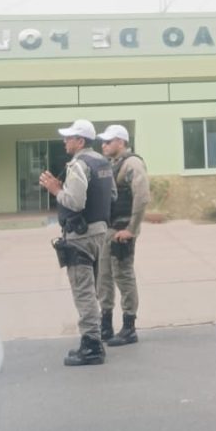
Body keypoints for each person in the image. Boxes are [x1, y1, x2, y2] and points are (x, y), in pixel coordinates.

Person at [39, 119, 114, 366]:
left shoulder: (79, 165)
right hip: (100, 233)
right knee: (92, 289)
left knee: (83, 292)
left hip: (81, 236)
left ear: (80, 141)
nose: (65, 141)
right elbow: (112, 195)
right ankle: (95, 338)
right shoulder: (102, 162)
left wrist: (56, 190)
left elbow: (75, 202)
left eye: (69, 137)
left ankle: (91, 346)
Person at [96, 124, 150, 346]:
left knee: (123, 276)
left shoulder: (132, 163)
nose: (104, 145)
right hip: (109, 229)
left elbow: (142, 197)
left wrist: (131, 229)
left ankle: (129, 327)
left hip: (122, 231)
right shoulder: (111, 164)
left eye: (108, 141)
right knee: (104, 276)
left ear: (121, 142)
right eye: (103, 141)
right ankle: (106, 324)